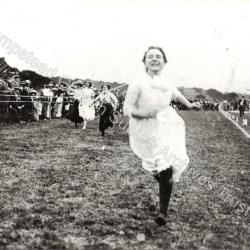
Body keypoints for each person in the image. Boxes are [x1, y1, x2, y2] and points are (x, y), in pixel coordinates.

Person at [123, 46, 201, 226]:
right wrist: (143, 114)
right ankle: (164, 181)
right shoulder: (138, 82)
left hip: (168, 124)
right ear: (145, 61)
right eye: (150, 57)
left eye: (159, 56)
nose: (155, 59)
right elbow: (127, 108)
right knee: (154, 164)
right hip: (145, 126)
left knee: (166, 163)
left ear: (164, 61)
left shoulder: (166, 81)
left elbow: (176, 93)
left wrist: (189, 104)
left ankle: (162, 212)